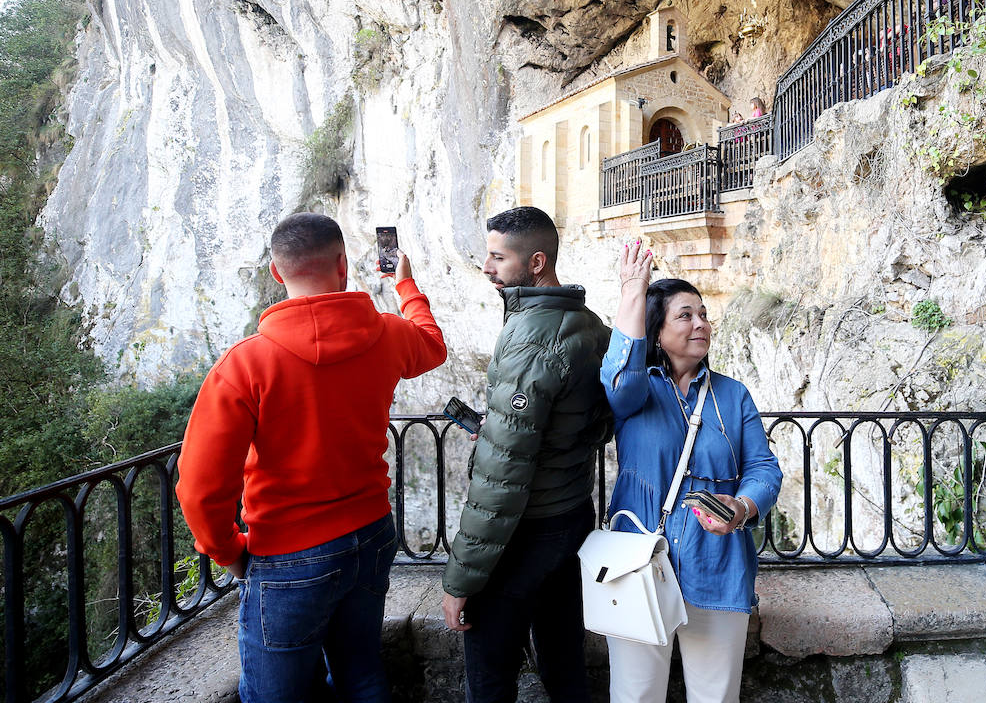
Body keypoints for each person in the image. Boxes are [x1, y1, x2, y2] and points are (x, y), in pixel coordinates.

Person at [177, 212, 448, 703]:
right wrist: (405, 285)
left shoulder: (245, 364)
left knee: (276, 694)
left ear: (278, 273)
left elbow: (200, 486)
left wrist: (227, 551)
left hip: (287, 552)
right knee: (361, 671)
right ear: (343, 265)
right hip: (370, 534)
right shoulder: (387, 334)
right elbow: (432, 344)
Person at [441, 206, 611, 703]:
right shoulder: (589, 324)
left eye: (498, 257)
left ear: (536, 262)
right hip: (572, 516)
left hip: (526, 532)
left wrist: (459, 580)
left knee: (490, 674)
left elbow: (499, 481)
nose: (488, 268)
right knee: (563, 660)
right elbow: (598, 421)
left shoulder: (527, 337)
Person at [602, 240, 782, 703]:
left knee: (715, 695)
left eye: (703, 313)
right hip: (638, 563)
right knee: (635, 694)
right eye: (685, 315)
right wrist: (632, 292)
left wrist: (741, 506)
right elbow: (618, 377)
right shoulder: (637, 392)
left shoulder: (733, 395)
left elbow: (763, 466)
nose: (700, 323)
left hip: (716, 563)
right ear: (656, 330)